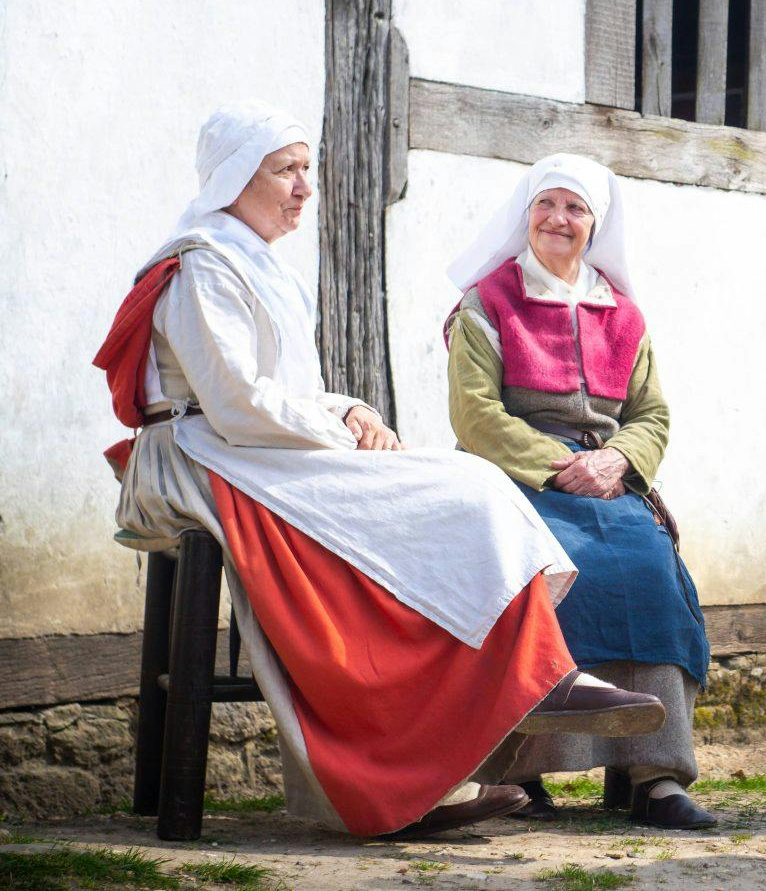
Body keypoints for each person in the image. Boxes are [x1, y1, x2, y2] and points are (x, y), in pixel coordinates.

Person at [96, 103, 665, 839]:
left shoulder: (256, 263)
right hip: (207, 459)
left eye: (307, 169)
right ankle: (502, 704)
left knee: (464, 490)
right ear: (236, 178)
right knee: (462, 490)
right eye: (286, 170)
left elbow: (271, 395)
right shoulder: (204, 265)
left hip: (256, 447)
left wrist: (349, 406)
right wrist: (339, 426)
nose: (305, 186)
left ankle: (503, 704)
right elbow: (235, 404)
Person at [443, 153, 714, 830]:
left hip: (607, 479)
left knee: (652, 570)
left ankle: (655, 775)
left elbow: (652, 414)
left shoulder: (623, 313)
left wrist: (618, 459)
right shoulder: (488, 302)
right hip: (515, 476)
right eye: (546, 204)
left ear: (596, 224)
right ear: (526, 213)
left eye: (575, 208)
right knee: (544, 569)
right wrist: (559, 464)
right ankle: (516, 772)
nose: (558, 219)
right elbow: (475, 416)